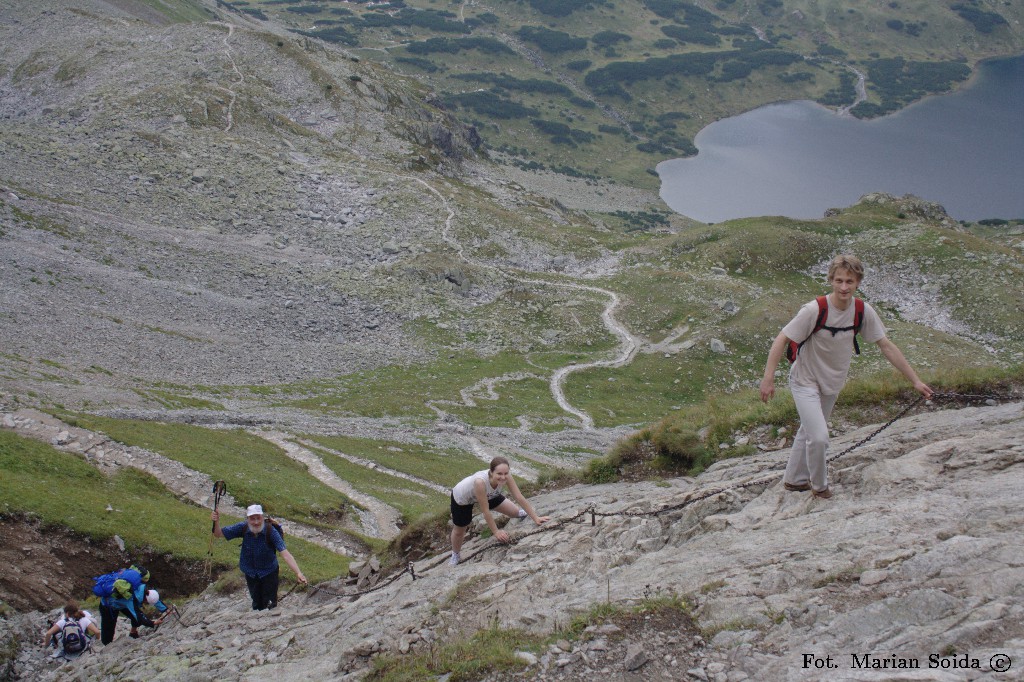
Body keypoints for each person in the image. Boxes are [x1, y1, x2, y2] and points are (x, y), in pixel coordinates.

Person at [760, 254, 933, 499]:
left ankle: (793, 480)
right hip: (804, 380)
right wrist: (768, 378)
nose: (844, 287)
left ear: (857, 283)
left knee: (809, 431)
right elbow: (782, 339)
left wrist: (915, 380)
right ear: (831, 280)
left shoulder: (862, 311)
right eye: (839, 280)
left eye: (849, 282)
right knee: (819, 437)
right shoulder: (814, 310)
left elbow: (886, 345)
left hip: (832, 383)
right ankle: (819, 487)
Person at [449, 456, 550, 566]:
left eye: (506, 473)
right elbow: (485, 511)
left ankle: (521, 513)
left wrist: (535, 517)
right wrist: (496, 532)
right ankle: (455, 554)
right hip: (463, 499)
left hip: (490, 495)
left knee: (515, 512)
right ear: (491, 472)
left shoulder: (507, 476)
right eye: (499, 474)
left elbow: (519, 496)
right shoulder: (480, 482)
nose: (503, 477)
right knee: (460, 529)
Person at [212, 504, 307, 610]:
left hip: (269, 572)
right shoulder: (242, 527)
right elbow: (218, 533)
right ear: (248, 519)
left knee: (270, 603)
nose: (256, 522)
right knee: (256, 601)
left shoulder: (271, 532)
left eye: (258, 518)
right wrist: (216, 521)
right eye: (252, 519)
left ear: (262, 517)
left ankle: (269, 620)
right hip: (250, 572)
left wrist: (298, 573)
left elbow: (285, 554)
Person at [98, 565, 167, 644]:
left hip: (120, 602)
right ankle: (107, 646)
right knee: (108, 629)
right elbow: (139, 617)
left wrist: (165, 609)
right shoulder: (131, 598)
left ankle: (133, 633)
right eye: (146, 603)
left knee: (135, 615)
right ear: (145, 600)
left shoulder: (141, 587)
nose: (146, 604)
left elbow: (154, 599)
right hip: (108, 606)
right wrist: (153, 623)